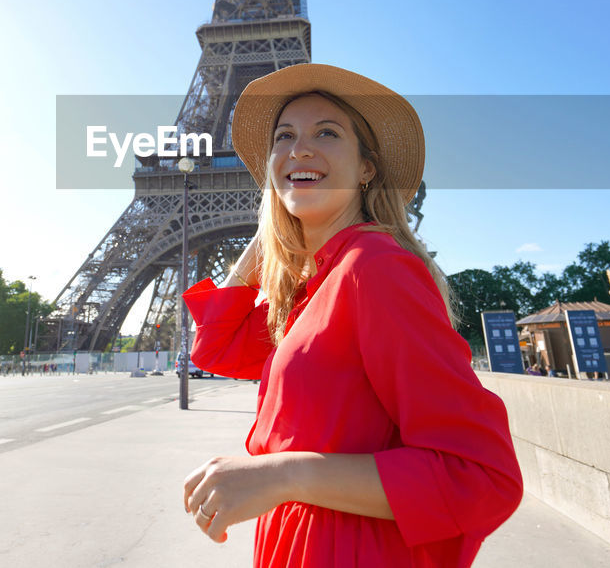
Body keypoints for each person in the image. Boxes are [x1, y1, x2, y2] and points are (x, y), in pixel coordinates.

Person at [181, 64, 522, 567]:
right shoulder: (318, 285)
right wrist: (269, 234)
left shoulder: (374, 269)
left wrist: (282, 475)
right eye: (284, 137)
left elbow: (482, 475)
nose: (299, 148)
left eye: (327, 132)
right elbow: (217, 348)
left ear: (366, 168)